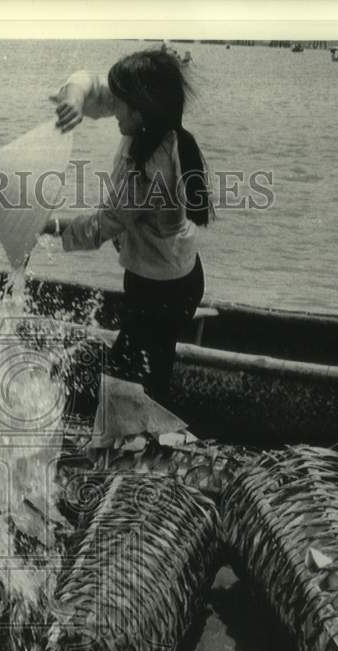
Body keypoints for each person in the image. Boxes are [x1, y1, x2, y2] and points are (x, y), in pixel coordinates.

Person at [42, 49, 213, 407]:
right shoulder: (150, 122)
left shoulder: (150, 173)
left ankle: (146, 431)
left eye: (119, 106)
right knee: (149, 359)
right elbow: (89, 85)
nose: (111, 109)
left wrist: (49, 225)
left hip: (163, 287)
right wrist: (73, 100)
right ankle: (146, 422)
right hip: (172, 273)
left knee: (134, 370)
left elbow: (102, 226)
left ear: (139, 111)